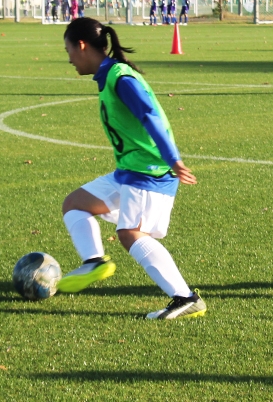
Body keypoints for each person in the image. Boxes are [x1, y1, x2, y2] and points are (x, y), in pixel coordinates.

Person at [59, 17, 207, 320]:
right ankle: (94, 262)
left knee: (129, 233)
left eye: (69, 50)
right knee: (74, 204)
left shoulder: (121, 78)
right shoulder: (109, 76)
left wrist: (173, 159)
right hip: (128, 171)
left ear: (82, 45)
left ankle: (186, 298)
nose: (70, 59)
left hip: (149, 171)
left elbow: (150, 115)